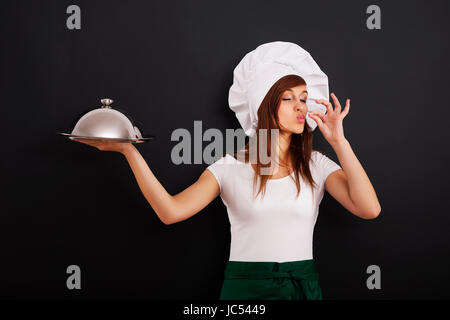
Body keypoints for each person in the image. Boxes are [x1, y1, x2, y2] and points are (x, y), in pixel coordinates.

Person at [72, 41, 381, 300]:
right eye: (287, 98)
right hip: (245, 290)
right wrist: (129, 151)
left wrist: (339, 141)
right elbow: (170, 211)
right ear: (264, 105)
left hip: (303, 288)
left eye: (303, 98)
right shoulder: (230, 167)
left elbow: (369, 209)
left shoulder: (316, 165)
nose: (301, 106)